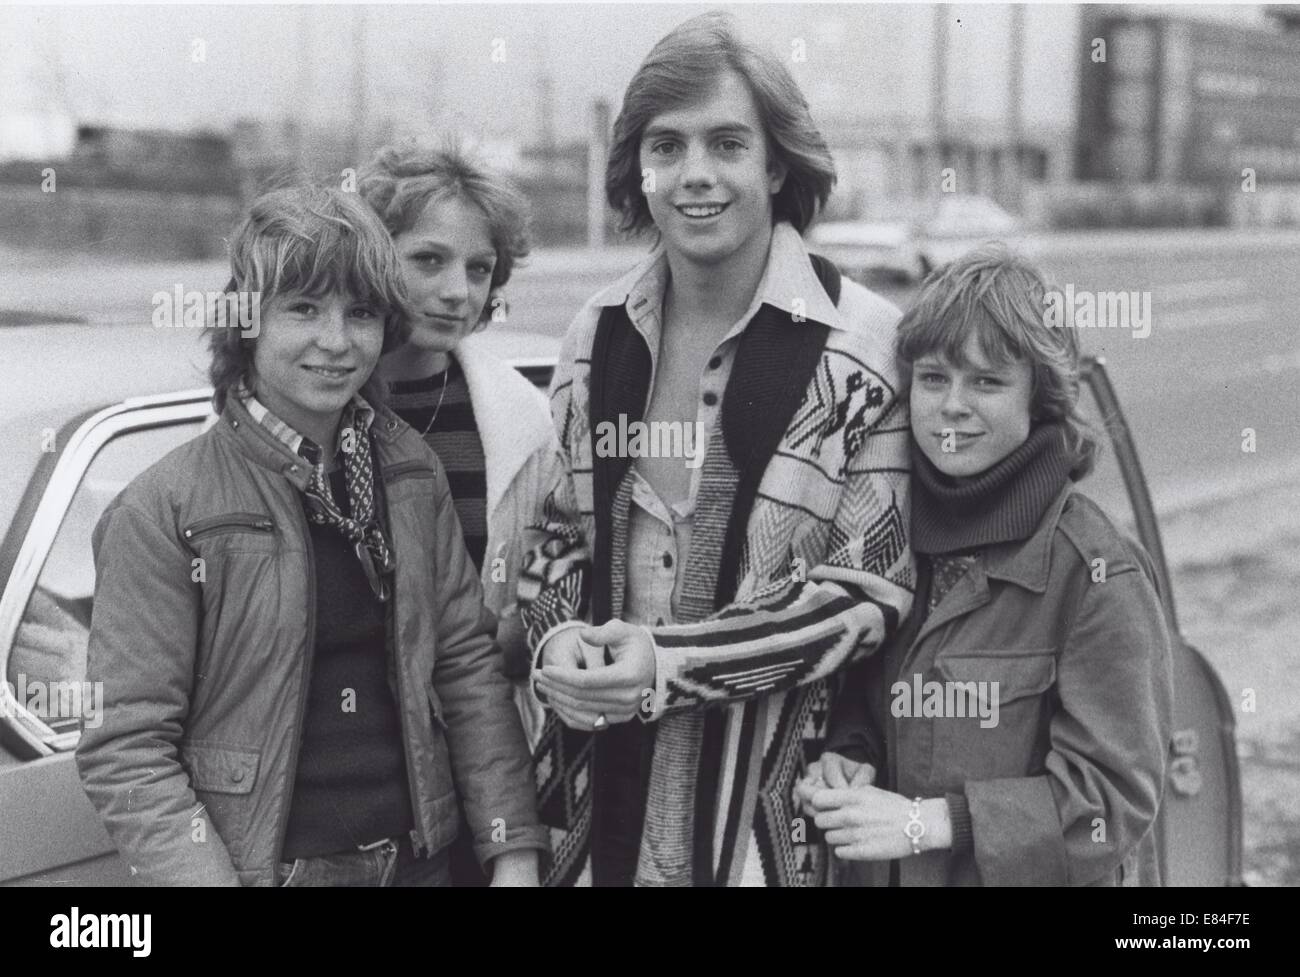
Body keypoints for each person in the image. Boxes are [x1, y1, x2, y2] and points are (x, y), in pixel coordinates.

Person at [517, 11, 915, 886]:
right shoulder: (599, 334)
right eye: (667, 146)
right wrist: (556, 652)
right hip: (594, 834)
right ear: (639, 169)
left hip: (764, 842)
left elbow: (864, 594)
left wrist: (670, 666)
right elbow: (556, 540)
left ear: (777, 164)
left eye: (728, 144)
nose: (696, 174)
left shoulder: (866, 343)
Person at [75, 185, 547, 886]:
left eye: (359, 313)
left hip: (421, 861)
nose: (336, 340)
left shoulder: (410, 474)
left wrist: (511, 852)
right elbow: (127, 745)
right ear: (247, 323)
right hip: (271, 871)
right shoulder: (165, 507)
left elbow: (467, 673)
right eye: (303, 308)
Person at [797, 245, 1174, 886]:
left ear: (1042, 400)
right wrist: (849, 754)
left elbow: (1113, 798)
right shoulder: (885, 537)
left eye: (988, 381)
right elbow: (868, 697)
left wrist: (934, 822)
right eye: (935, 377)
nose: (953, 405)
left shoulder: (1094, 572)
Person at [357, 137, 560, 882]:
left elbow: (547, 588)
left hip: (482, 772)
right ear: (373, 256)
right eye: (429, 260)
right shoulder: (319, 401)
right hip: (349, 772)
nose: (457, 292)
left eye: (479, 270)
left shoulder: (520, 419)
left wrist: (522, 628)